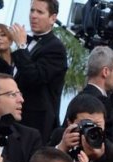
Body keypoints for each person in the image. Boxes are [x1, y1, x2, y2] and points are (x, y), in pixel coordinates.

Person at [8, 0, 67, 142]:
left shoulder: (55, 48)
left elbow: (34, 77)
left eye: (40, 12)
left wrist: (21, 47)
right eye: (32, 10)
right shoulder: (28, 42)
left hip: (36, 125)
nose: (33, 16)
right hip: (16, 120)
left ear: (53, 18)